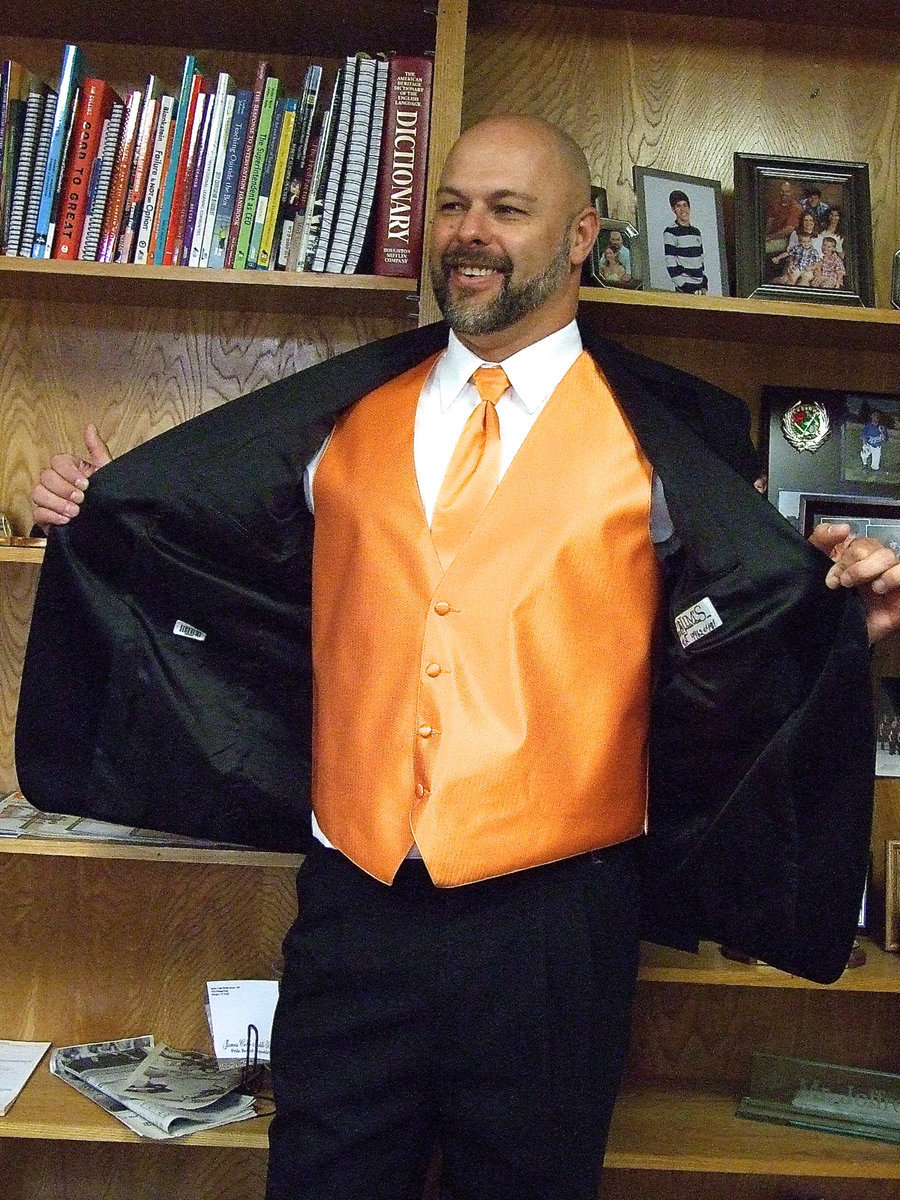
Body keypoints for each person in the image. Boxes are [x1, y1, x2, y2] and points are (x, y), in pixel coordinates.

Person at [22, 115, 900, 1200]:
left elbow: (749, 629)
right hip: (352, 908)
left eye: (506, 210)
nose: (468, 234)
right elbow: (200, 565)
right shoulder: (333, 422)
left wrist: (841, 612)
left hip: (557, 929)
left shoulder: (675, 442)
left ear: (581, 235)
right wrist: (96, 514)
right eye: (451, 204)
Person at [663, 189, 707, 293]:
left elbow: (700, 260)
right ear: (673, 209)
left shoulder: (696, 232)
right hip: (684, 289)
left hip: (700, 288)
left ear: (689, 207)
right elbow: (671, 263)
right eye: (678, 206)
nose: (683, 209)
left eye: (685, 205)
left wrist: (704, 284)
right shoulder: (670, 232)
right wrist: (683, 286)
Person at [764, 178, 803, 253]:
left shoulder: (796, 207)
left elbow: (789, 229)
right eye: (782, 191)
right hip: (772, 237)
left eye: (787, 191)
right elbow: (769, 222)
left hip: (787, 239)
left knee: (764, 248)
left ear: (792, 192)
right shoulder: (774, 204)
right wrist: (766, 236)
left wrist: (770, 237)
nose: (784, 193)